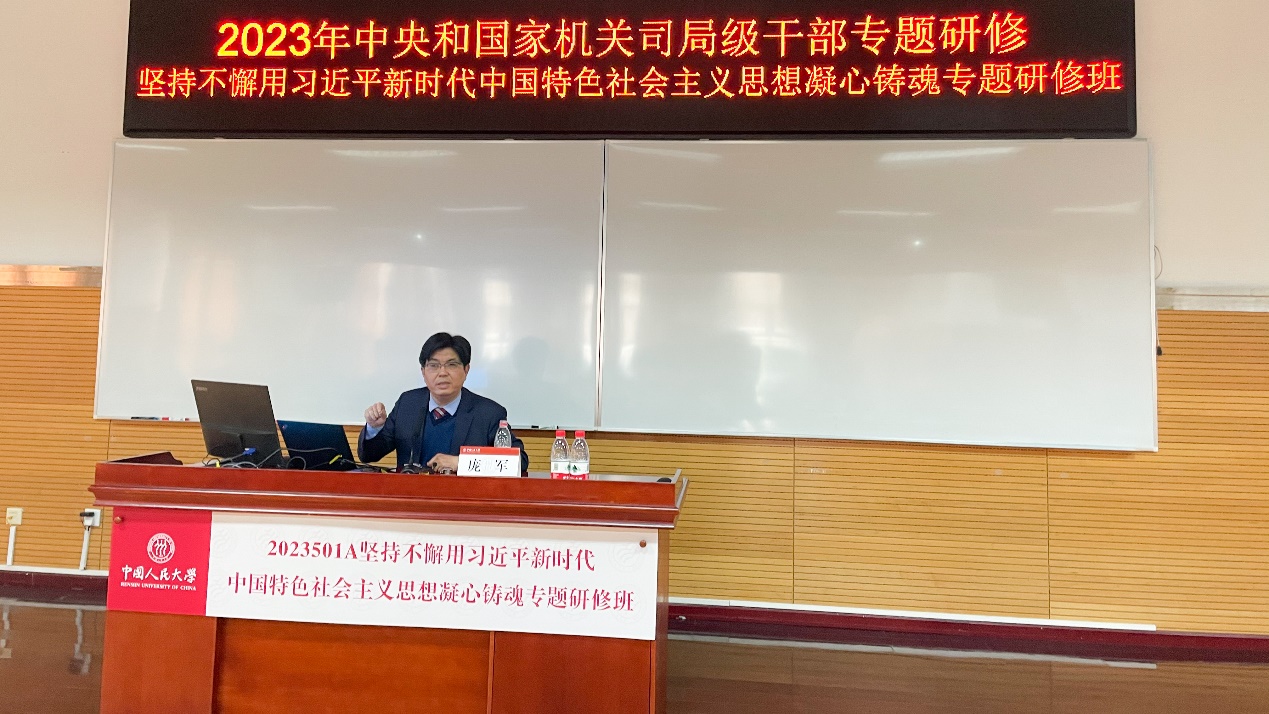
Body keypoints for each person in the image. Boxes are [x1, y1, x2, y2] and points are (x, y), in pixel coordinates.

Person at [360, 332, 527, 473]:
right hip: (410, 498)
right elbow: (370, 455)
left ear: (466, 370)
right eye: (434, 365)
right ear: (423, 372)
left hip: (463, 498)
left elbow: (519, 461)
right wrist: (374, 428)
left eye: (451, 365)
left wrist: (461, 463)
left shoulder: (488, 413)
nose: (442, 373)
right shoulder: (408, 404)